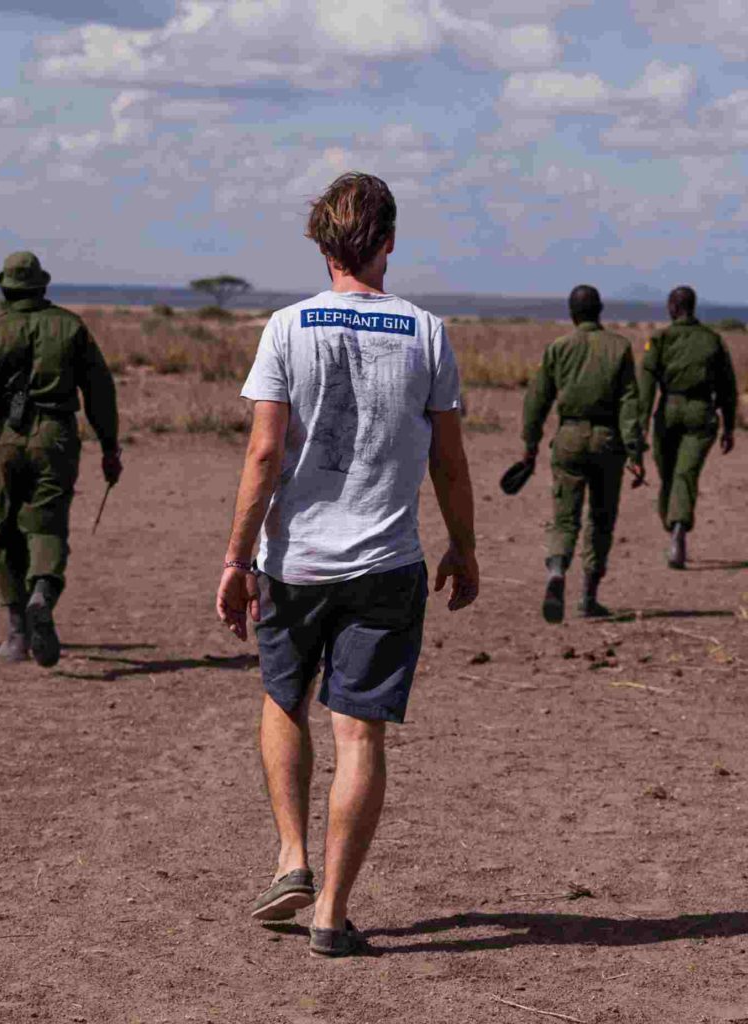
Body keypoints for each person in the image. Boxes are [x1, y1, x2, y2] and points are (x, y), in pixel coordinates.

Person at [215, 172, 479, 959]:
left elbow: (265, 452)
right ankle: (331, 910)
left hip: (296, 562)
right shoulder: (425, 332)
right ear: (390, 240)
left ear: (322, 245)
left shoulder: (287, 328)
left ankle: (291, 858)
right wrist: (463, 544)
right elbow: (450, 459)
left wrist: (237, 556)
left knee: (281, 697)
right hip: (388, 562)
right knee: (360, 735)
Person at [0, 252, 121, 668]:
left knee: (7, 528)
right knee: (47, 523)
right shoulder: (70, 327)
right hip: (57, 437)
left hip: (6, 442)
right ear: (43, 286)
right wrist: (109, 446)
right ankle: (42, 594)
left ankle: (15, 633)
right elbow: (100, 392)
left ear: (6, 288)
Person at [521, 286, 645, 622]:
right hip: (608, 443)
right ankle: (589, 596)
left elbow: (537, 401)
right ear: (600, 310)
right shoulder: (619, 347)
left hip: (569, 439)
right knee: (601, 520)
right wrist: (635, 452)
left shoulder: (559, 347)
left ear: (572, 313)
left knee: (565, 517)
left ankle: (557, 572)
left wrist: (530, 446)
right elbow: (629, 403)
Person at [639, 286, 738, 569]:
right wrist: (729, 427)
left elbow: (645, 388)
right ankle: (677, 527)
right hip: (702, 413)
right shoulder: (713, 340)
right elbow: (728, 389)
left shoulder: (660, 339)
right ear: (693, 307)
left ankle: (675, 529)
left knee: (669, 475)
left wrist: (639, 428)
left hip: (667, 411)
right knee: (685, 474)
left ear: (672, 307)